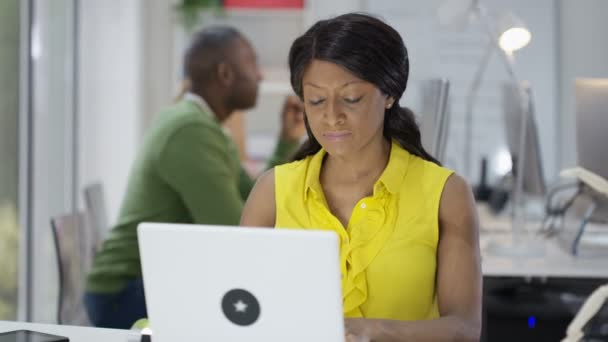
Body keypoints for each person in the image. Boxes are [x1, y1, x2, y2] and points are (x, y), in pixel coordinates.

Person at [241, 13, 482, 341]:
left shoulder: (446, 194)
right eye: (316, 100)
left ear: (390, 94)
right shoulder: (272, 191)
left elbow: (464, 329)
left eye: (351, 98)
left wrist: (376, 330)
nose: (331, 116)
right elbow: (241, 311)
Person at [84, 26, 305, 329]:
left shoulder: (204, 126)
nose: (261, 76)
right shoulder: (190, 131)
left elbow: (257, 198)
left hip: (141, 283)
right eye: (253, 63)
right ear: (226, 74)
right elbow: (236, 232)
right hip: (126, 293)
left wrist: (285, 140)